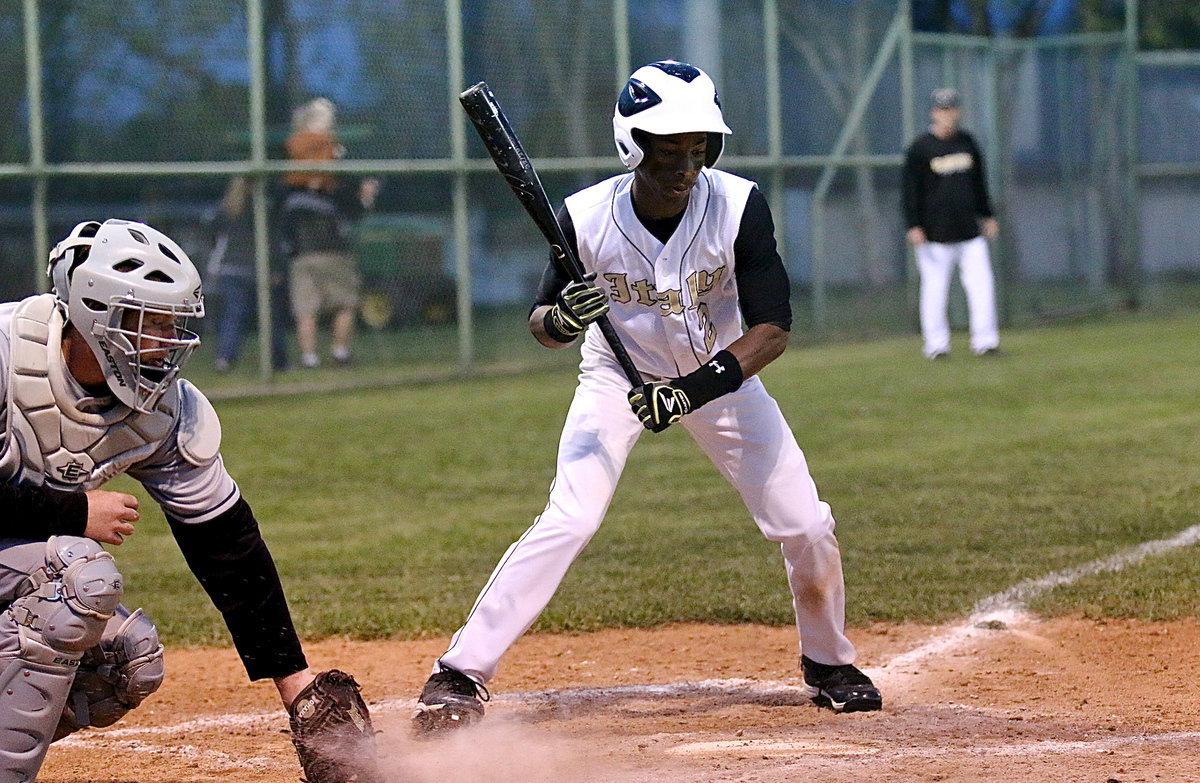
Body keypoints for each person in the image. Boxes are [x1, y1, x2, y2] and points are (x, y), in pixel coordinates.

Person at [411, 60, 882, 735]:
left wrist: (691, 391)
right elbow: (542, 323)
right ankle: (460, 671)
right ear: (632, 143)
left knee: (806, 524)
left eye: (699, 147)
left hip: (718, 376)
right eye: (669, 148)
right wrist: (564, 319)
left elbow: (773, 328)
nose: (687, 164)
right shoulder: (585, 217)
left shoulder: (740, 204)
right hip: (613, 376)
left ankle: (830, 661)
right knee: (571, 517)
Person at [0, 219, 381, 783]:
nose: (163, 342)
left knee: (125, 663)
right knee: (80, 582)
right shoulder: (7, 351)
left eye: (170, 324)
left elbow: (226, 543)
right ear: (90, 313)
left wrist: (297, 688)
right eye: (145, 323)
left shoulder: (170, 411)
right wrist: (73, 514)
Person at [279, 97, 380, 369]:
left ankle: (309, 359)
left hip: (302, 252)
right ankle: (339, 353)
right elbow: (354, 210)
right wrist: (366, 198)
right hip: (333, 249)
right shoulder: (333, 172)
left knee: (306, 309)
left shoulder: (289, 184)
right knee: (345, 303)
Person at [902, 87, 1001, 359]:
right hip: (935, 234)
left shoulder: (967, 142)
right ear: (934, 113)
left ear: (957, 111)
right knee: (935, 290)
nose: (947, 115)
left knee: (982, 285)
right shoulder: (921, 149)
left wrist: (988, 215)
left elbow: (979, 184)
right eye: (942, 109)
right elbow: (910, 191)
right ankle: (936, 345)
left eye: (951, 109)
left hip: (970, 231)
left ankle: (986, 341)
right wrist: (914, 225)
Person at [203, 176, 289, 372]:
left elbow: (213, 236)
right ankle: (278, 361)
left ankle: (225, 358)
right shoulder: (263, 208)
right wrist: (276, 268)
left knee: (233, 315)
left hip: (230, 267)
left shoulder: (226, 209)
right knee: (270, 316)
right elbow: (272, 241)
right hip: (257, 267)